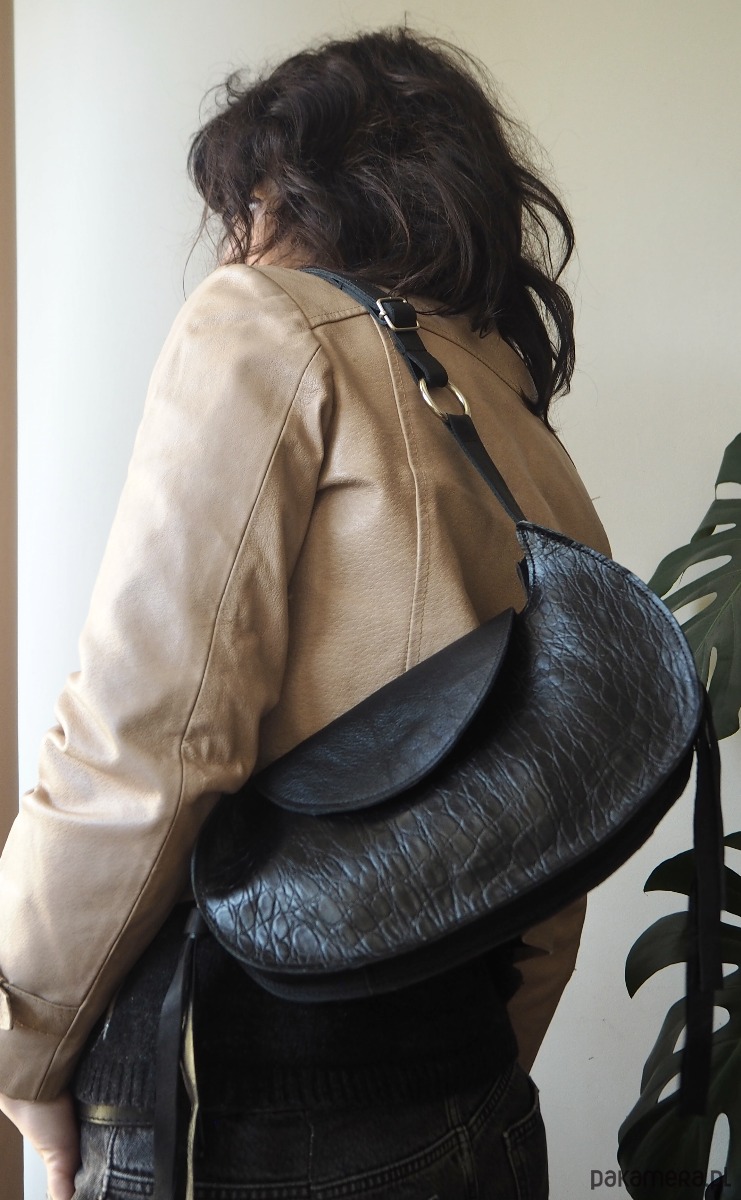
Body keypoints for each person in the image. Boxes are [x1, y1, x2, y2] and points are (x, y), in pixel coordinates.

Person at [0, 27, 610, 1200]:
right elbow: (561, 817)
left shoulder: (262, 325)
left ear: (298, 189)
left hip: (256, 1111)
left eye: (245, 202)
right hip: (474, 1100)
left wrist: (22, 1032)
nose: (235, 238)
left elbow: (149, 732)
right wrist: (475, 1067)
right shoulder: (516, 422)